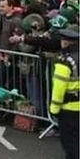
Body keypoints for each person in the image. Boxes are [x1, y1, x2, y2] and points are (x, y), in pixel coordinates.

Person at [49, 26, 79, 159]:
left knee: (71, 143)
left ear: (65, 42)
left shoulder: (64, 62)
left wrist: (54, 109)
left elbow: (59, 89)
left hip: (69, 109)